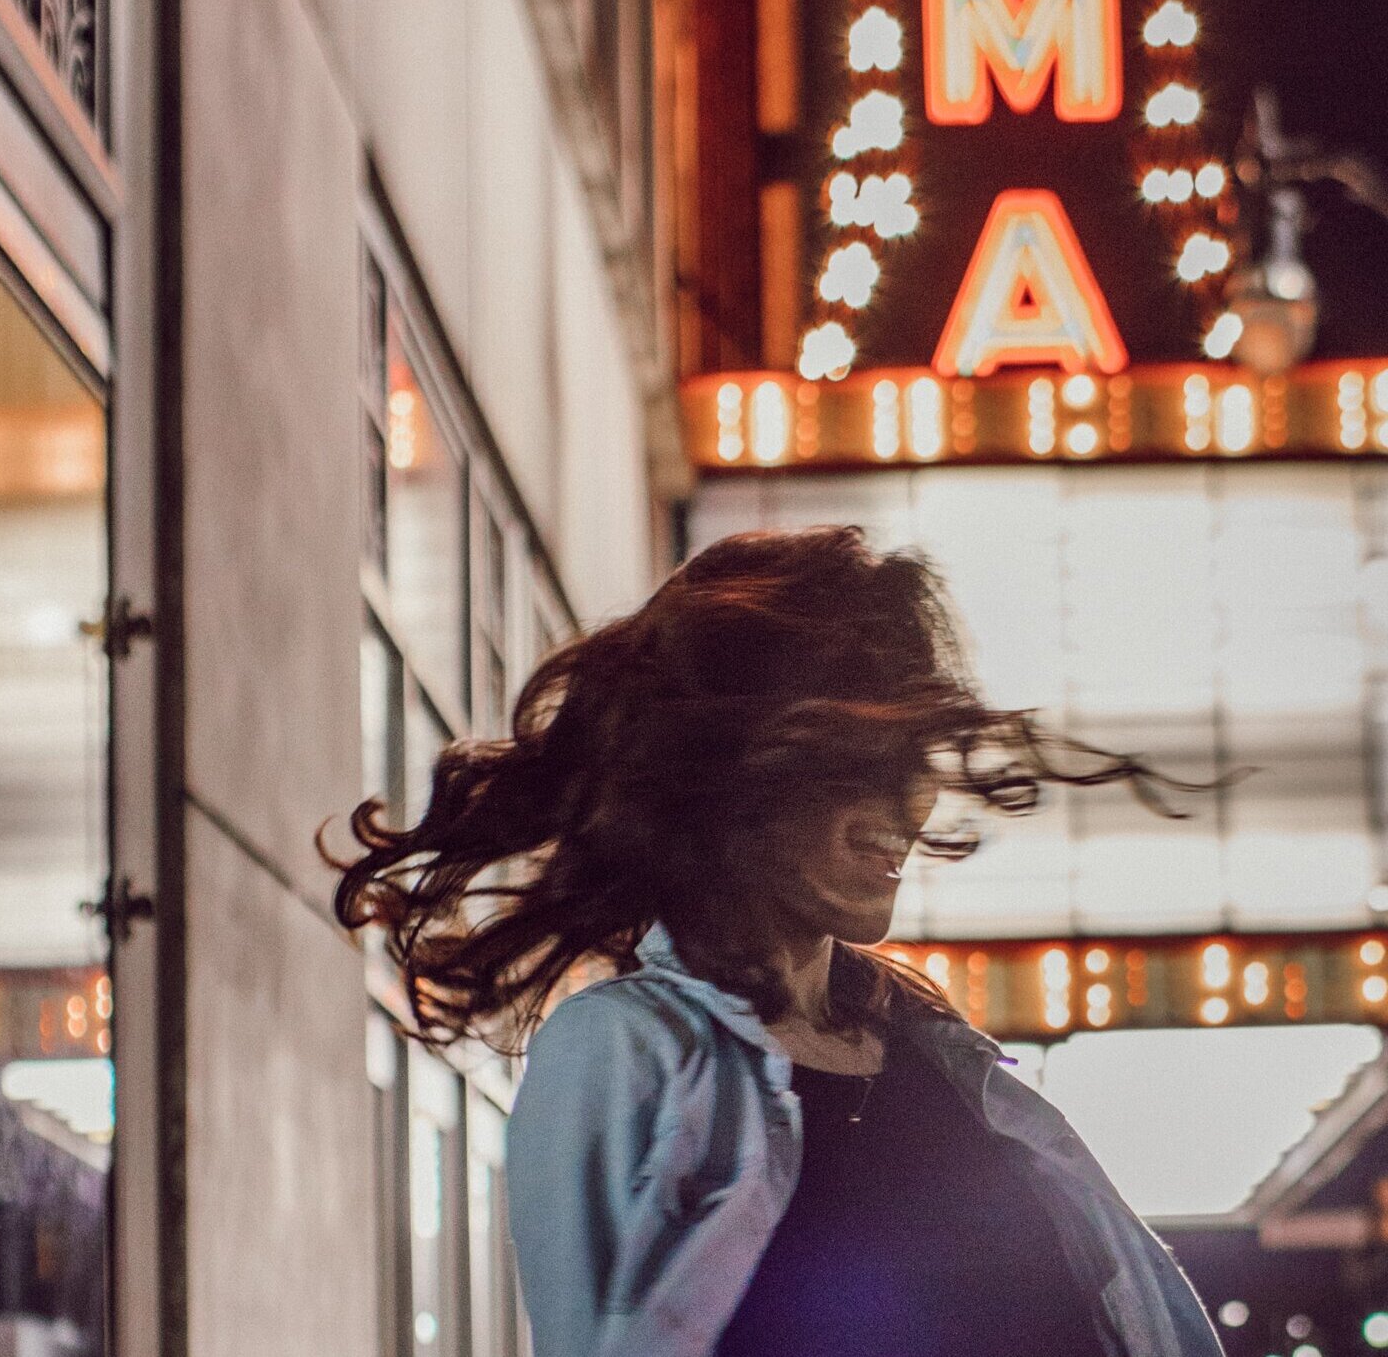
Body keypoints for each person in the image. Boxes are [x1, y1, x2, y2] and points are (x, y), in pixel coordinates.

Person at [330, 526, 1229, 1357]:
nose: (910, 803)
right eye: (863, 758)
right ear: (739, 767)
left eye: (917, 754)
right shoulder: (620, 1051)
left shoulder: (942, 1053)